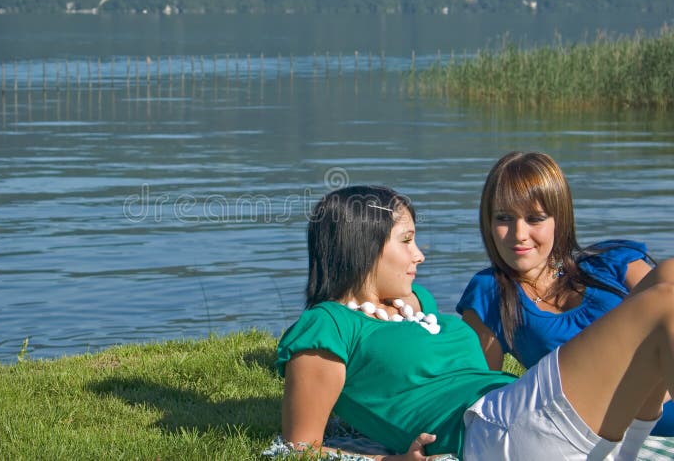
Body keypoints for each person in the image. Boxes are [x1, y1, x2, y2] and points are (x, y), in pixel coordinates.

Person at [277, 184, 674, 460]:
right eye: (406, 241)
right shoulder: (328, 324)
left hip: (518, 409)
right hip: (493, 433)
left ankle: (629, 452)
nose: (419, 256)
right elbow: (300, 447)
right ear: (362, 246)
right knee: (662, 306)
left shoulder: (419, 302)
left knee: (668, 278)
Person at [456, 151, 674, 436]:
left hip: (659, 395)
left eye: (535, 218)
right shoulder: (491, 292)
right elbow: (483, 391)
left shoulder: (608, 263)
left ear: (559, 219)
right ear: (488, 222)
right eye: (504, 218)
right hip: (597, 413)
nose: (519, 233)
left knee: (669, 273)